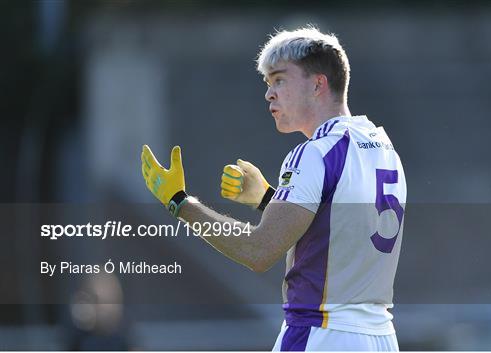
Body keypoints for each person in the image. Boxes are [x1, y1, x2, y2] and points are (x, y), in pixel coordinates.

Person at [141, 26, 406, 351]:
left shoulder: (313, 153)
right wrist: (268, 199)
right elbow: (337, 230)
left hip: (322, 335)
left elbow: (259, 251)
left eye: (279, 79)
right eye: (268, 83)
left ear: (318, 84)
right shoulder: (382, 146)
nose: (269, 93)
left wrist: (180, 203)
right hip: (381, 338)